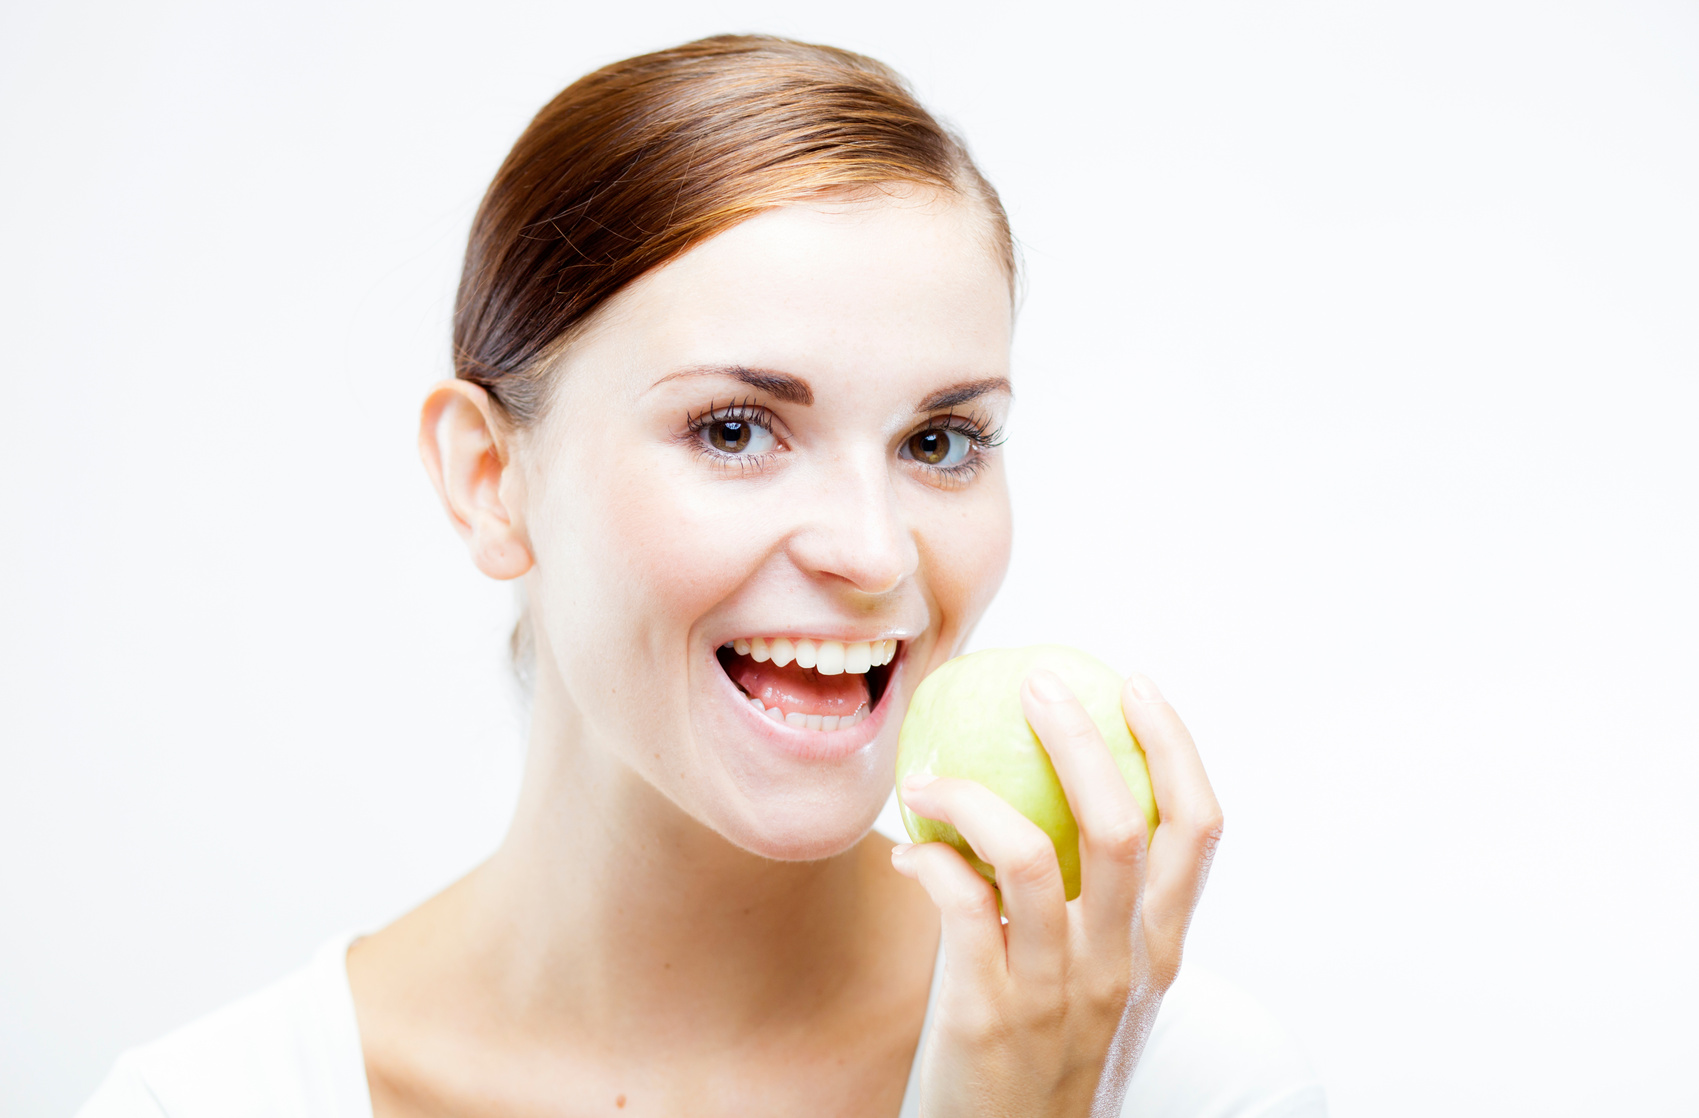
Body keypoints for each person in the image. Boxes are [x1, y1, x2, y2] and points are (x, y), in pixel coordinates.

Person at [79, 35, 1325, 1117]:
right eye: (734, 428)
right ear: (487, 479)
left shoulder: (1178, 1082)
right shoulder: (206, 1102)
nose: (877, 551)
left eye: (939, 441)